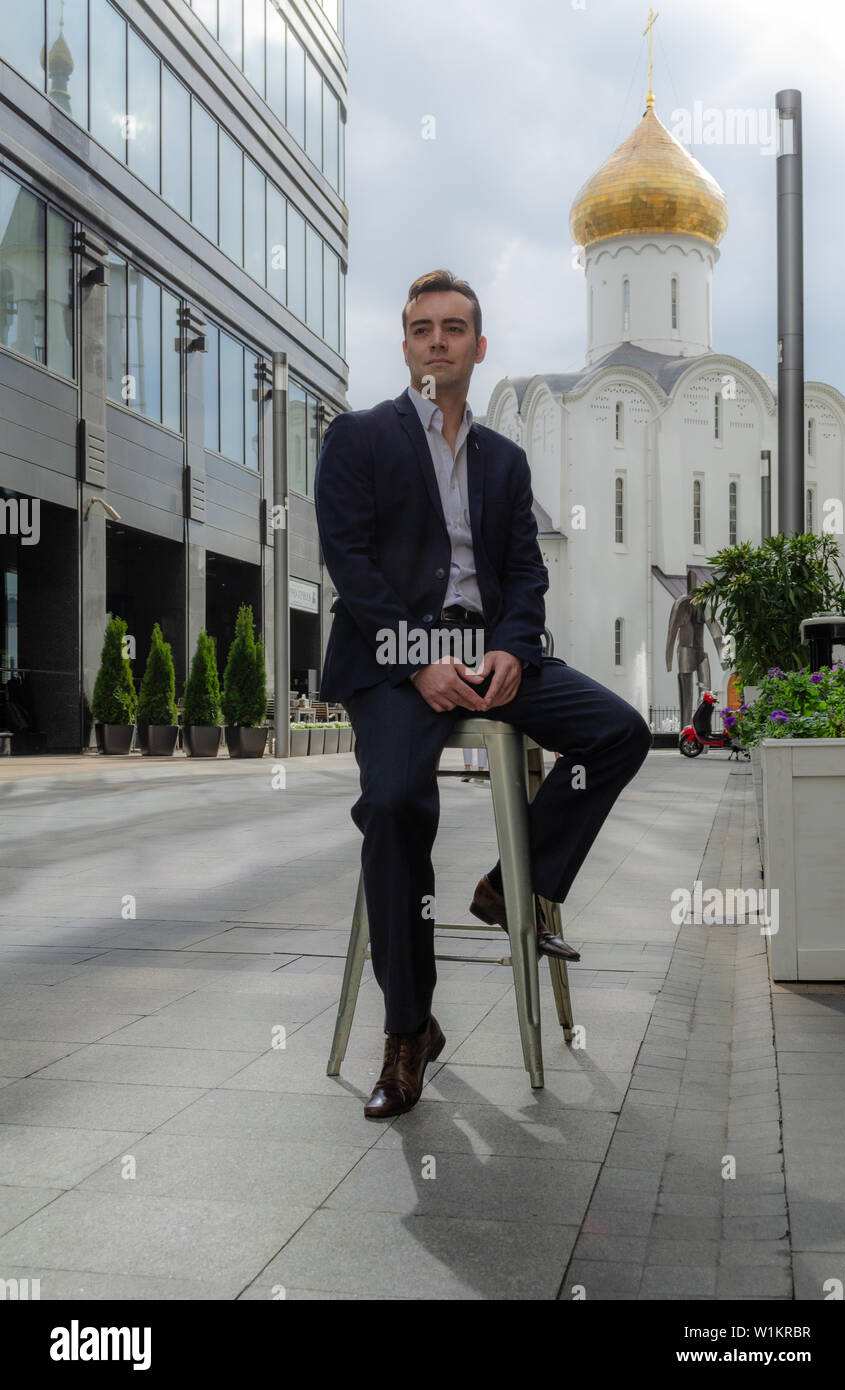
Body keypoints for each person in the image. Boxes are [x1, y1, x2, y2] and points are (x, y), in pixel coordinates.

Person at [314, 269, 651, 1120]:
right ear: (404, 345)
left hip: (488, 649)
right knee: (393, 805)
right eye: (421, 327)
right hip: (395, 655)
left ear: (477, 346)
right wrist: (416, 654)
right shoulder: (357, 438)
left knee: (619, 732)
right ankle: (406, 1032)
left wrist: (509, 648)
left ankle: (514, 882)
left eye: (453, 327)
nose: (437, 339)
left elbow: (527, 571)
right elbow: (349, 563)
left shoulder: (505, 459)